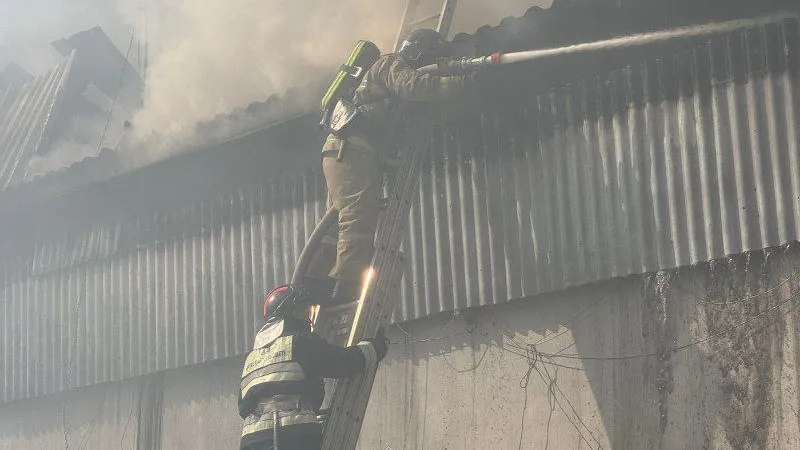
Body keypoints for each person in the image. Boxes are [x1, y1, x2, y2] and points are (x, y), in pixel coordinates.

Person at [309, 28, 483, 304]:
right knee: (358, 217)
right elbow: (414, 85)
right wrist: (461, 84)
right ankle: (346, 287)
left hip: (344, 152)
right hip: (351, 149)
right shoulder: (389, 63)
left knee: (336, 226)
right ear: (421, 53)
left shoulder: (380, 83)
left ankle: (313, 286)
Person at [238, 284, 388, 450]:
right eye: (303, 311)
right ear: (291, 312)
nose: (307, 318)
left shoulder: (251, 358)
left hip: (251, 442)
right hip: (291, 437)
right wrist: (374, 348)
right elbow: (342, 362)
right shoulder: (300, 342)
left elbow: (243, 408)